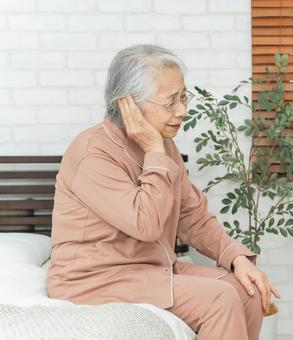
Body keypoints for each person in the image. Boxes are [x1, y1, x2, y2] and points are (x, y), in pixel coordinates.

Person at [47, 44, 279, 340]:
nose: (182, 111)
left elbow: (192, 216)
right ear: (127, 104)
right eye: (171, 102)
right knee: (220, 299)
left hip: (152, 270)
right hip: (96, 280)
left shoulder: (165, 146)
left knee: (246, 292)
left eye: (184, 98)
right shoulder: (93, 153)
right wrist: (155, 150)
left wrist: (237, 259)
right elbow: (145, 224)